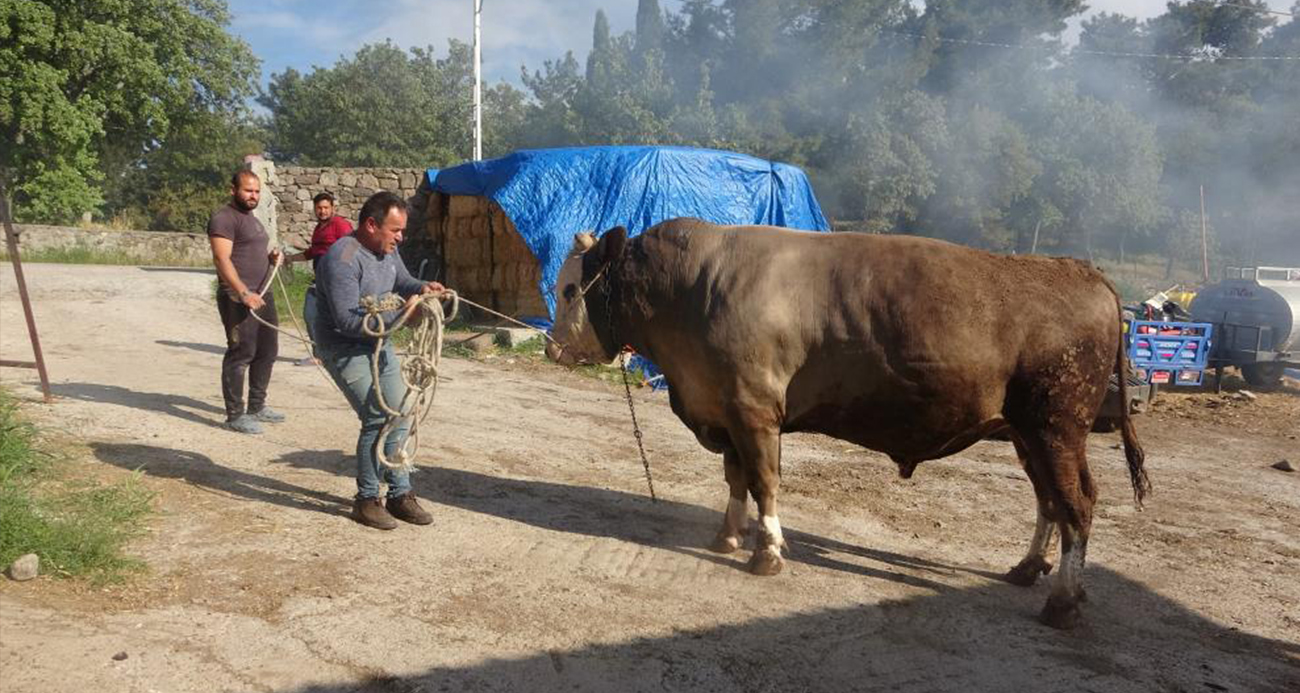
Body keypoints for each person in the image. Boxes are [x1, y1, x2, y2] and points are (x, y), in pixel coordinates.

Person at [315, 191, 444, 529]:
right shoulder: (341, 259)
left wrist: (425, 287)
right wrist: (404, 313)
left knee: (401, 409)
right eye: (395, 230)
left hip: (377, 342)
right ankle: (367, 499)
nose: (401, 237)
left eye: (402, 230)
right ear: (371, 225)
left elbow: (402, 281)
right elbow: (348, 322)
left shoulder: (387, 251)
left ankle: (399, 494)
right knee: (377, 415)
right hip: (344, 346)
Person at [207, 170, 284, 435]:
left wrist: (271, 258)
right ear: (233, 190)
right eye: (248, 190)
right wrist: (242, 292)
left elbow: (251, 251)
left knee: (268, 351)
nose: (253, 196)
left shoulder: (252, 219)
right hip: (238, 297)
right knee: (241, 353)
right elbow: (222, 259)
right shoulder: (223, 218)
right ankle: (235, 415)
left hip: (263, 293)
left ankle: (257, 406)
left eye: (256, 191)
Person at [286, 192, 353, 364]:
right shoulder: (318, 229)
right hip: (319, 281)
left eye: (325, 208)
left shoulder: (340, 224)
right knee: (310, 315)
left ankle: (341, 355)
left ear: (332, 208)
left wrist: (340, 270)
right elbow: (312, 252)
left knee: (335, 319)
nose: (322, 211)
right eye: (319, 208)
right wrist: (290, 259)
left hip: (334, 281)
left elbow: (353, 245)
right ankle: (319, 355)